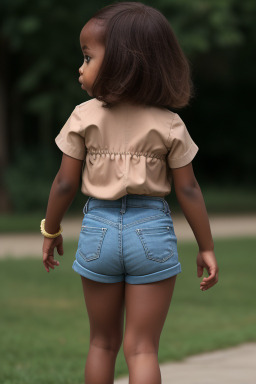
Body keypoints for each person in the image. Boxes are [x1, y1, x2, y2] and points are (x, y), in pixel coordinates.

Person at [41, 2, 219, 383]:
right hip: (151, 233)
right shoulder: (169, 124)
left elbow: (65, 183)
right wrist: (206, 246)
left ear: (123, 62)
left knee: (101, 343)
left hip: (98, 233)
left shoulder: (83, 117)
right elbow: (188, 188)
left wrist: (50, 230)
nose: (81, 67)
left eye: (88, 57)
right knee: (142, 348)